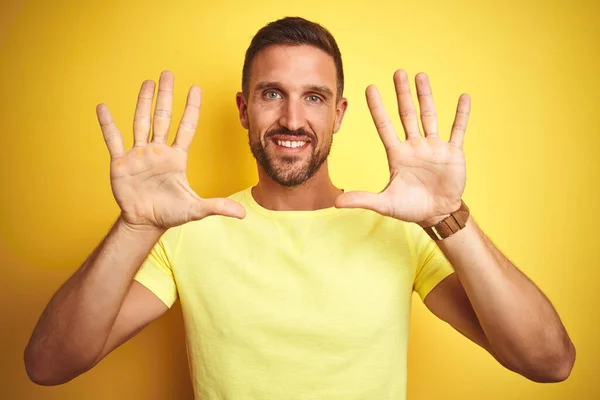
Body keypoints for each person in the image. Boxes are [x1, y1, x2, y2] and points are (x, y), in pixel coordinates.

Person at [24, 16, 575, 399]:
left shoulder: (400, 229)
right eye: (271, 94)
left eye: (313, 97)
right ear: (243, 109)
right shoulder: (187, 230)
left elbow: (548, 363)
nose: (292, 118)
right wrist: (135, 224)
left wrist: (447, 217)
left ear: (338, 113)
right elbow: (49, 367)